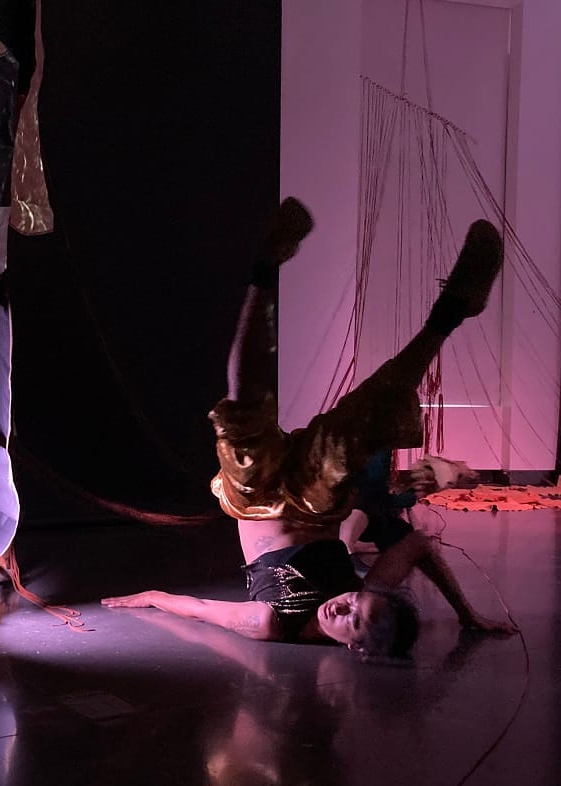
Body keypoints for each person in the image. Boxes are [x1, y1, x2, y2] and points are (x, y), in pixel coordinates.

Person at [103, 199, 517, 656]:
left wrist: (153, 597)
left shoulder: (269, 622)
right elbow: (417, 544)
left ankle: (265, 269)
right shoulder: (371, 593)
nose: (344, 607)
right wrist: (467, 615)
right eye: (357, 603)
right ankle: (453, 311)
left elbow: (201, 609)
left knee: (242, 412)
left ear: (355, 648)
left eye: (353, 623)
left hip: (257, 501)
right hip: (317, 503)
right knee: (365, 416)